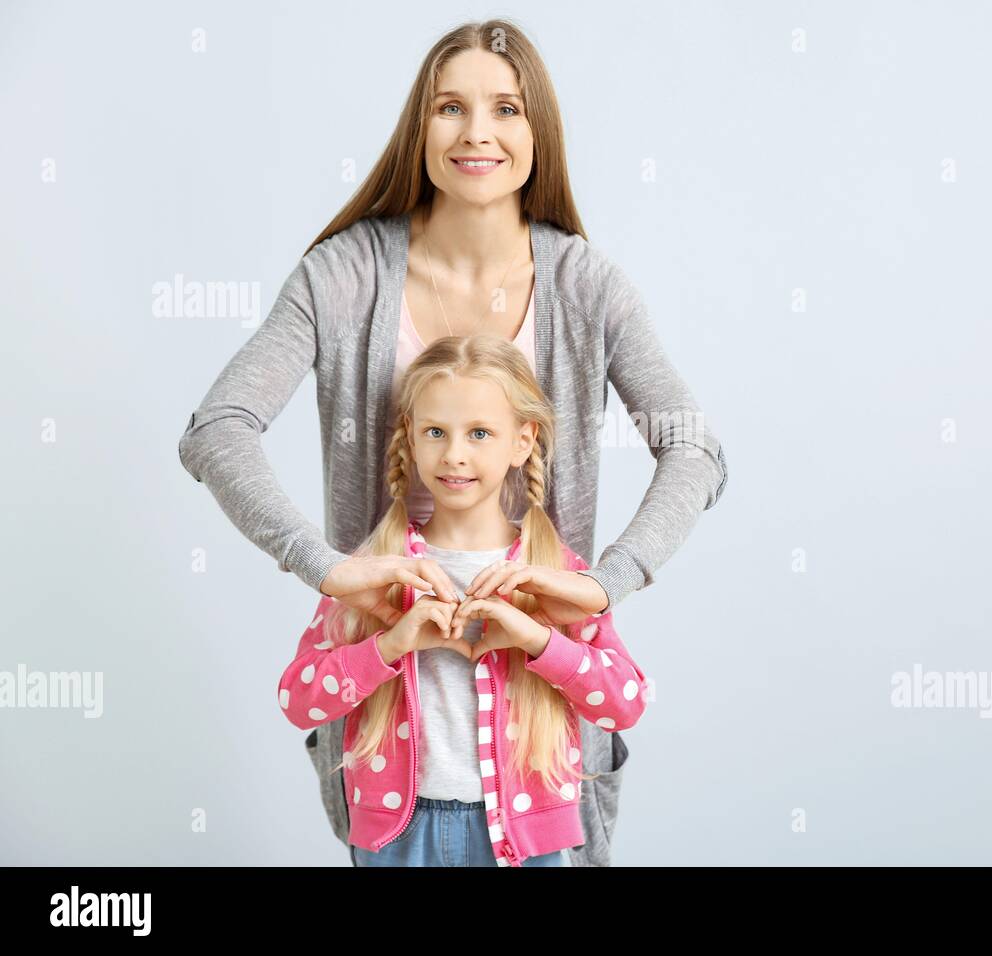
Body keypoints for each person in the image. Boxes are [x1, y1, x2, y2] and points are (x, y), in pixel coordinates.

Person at [178, 18, 726, 866]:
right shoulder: (344, 275)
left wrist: (602, 588)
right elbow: (217, 430)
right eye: (450, 108)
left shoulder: (587, 286)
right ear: (418, 128)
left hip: (539, 734)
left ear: (537, 132)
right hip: (396, 727)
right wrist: (326, 566)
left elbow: (695, 448)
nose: (477, 133)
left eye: (506, 109)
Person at [279, 335, 648, 866]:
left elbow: (625, 702)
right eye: (435, 432)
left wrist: (538, 641)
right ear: (410, 435)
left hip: (525, 841)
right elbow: (298, 700)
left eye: (479, 433)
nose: (454, 454)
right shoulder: (372, 569)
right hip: (397, 839)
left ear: (523, 440)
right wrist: (389, 646)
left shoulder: (558, 573)